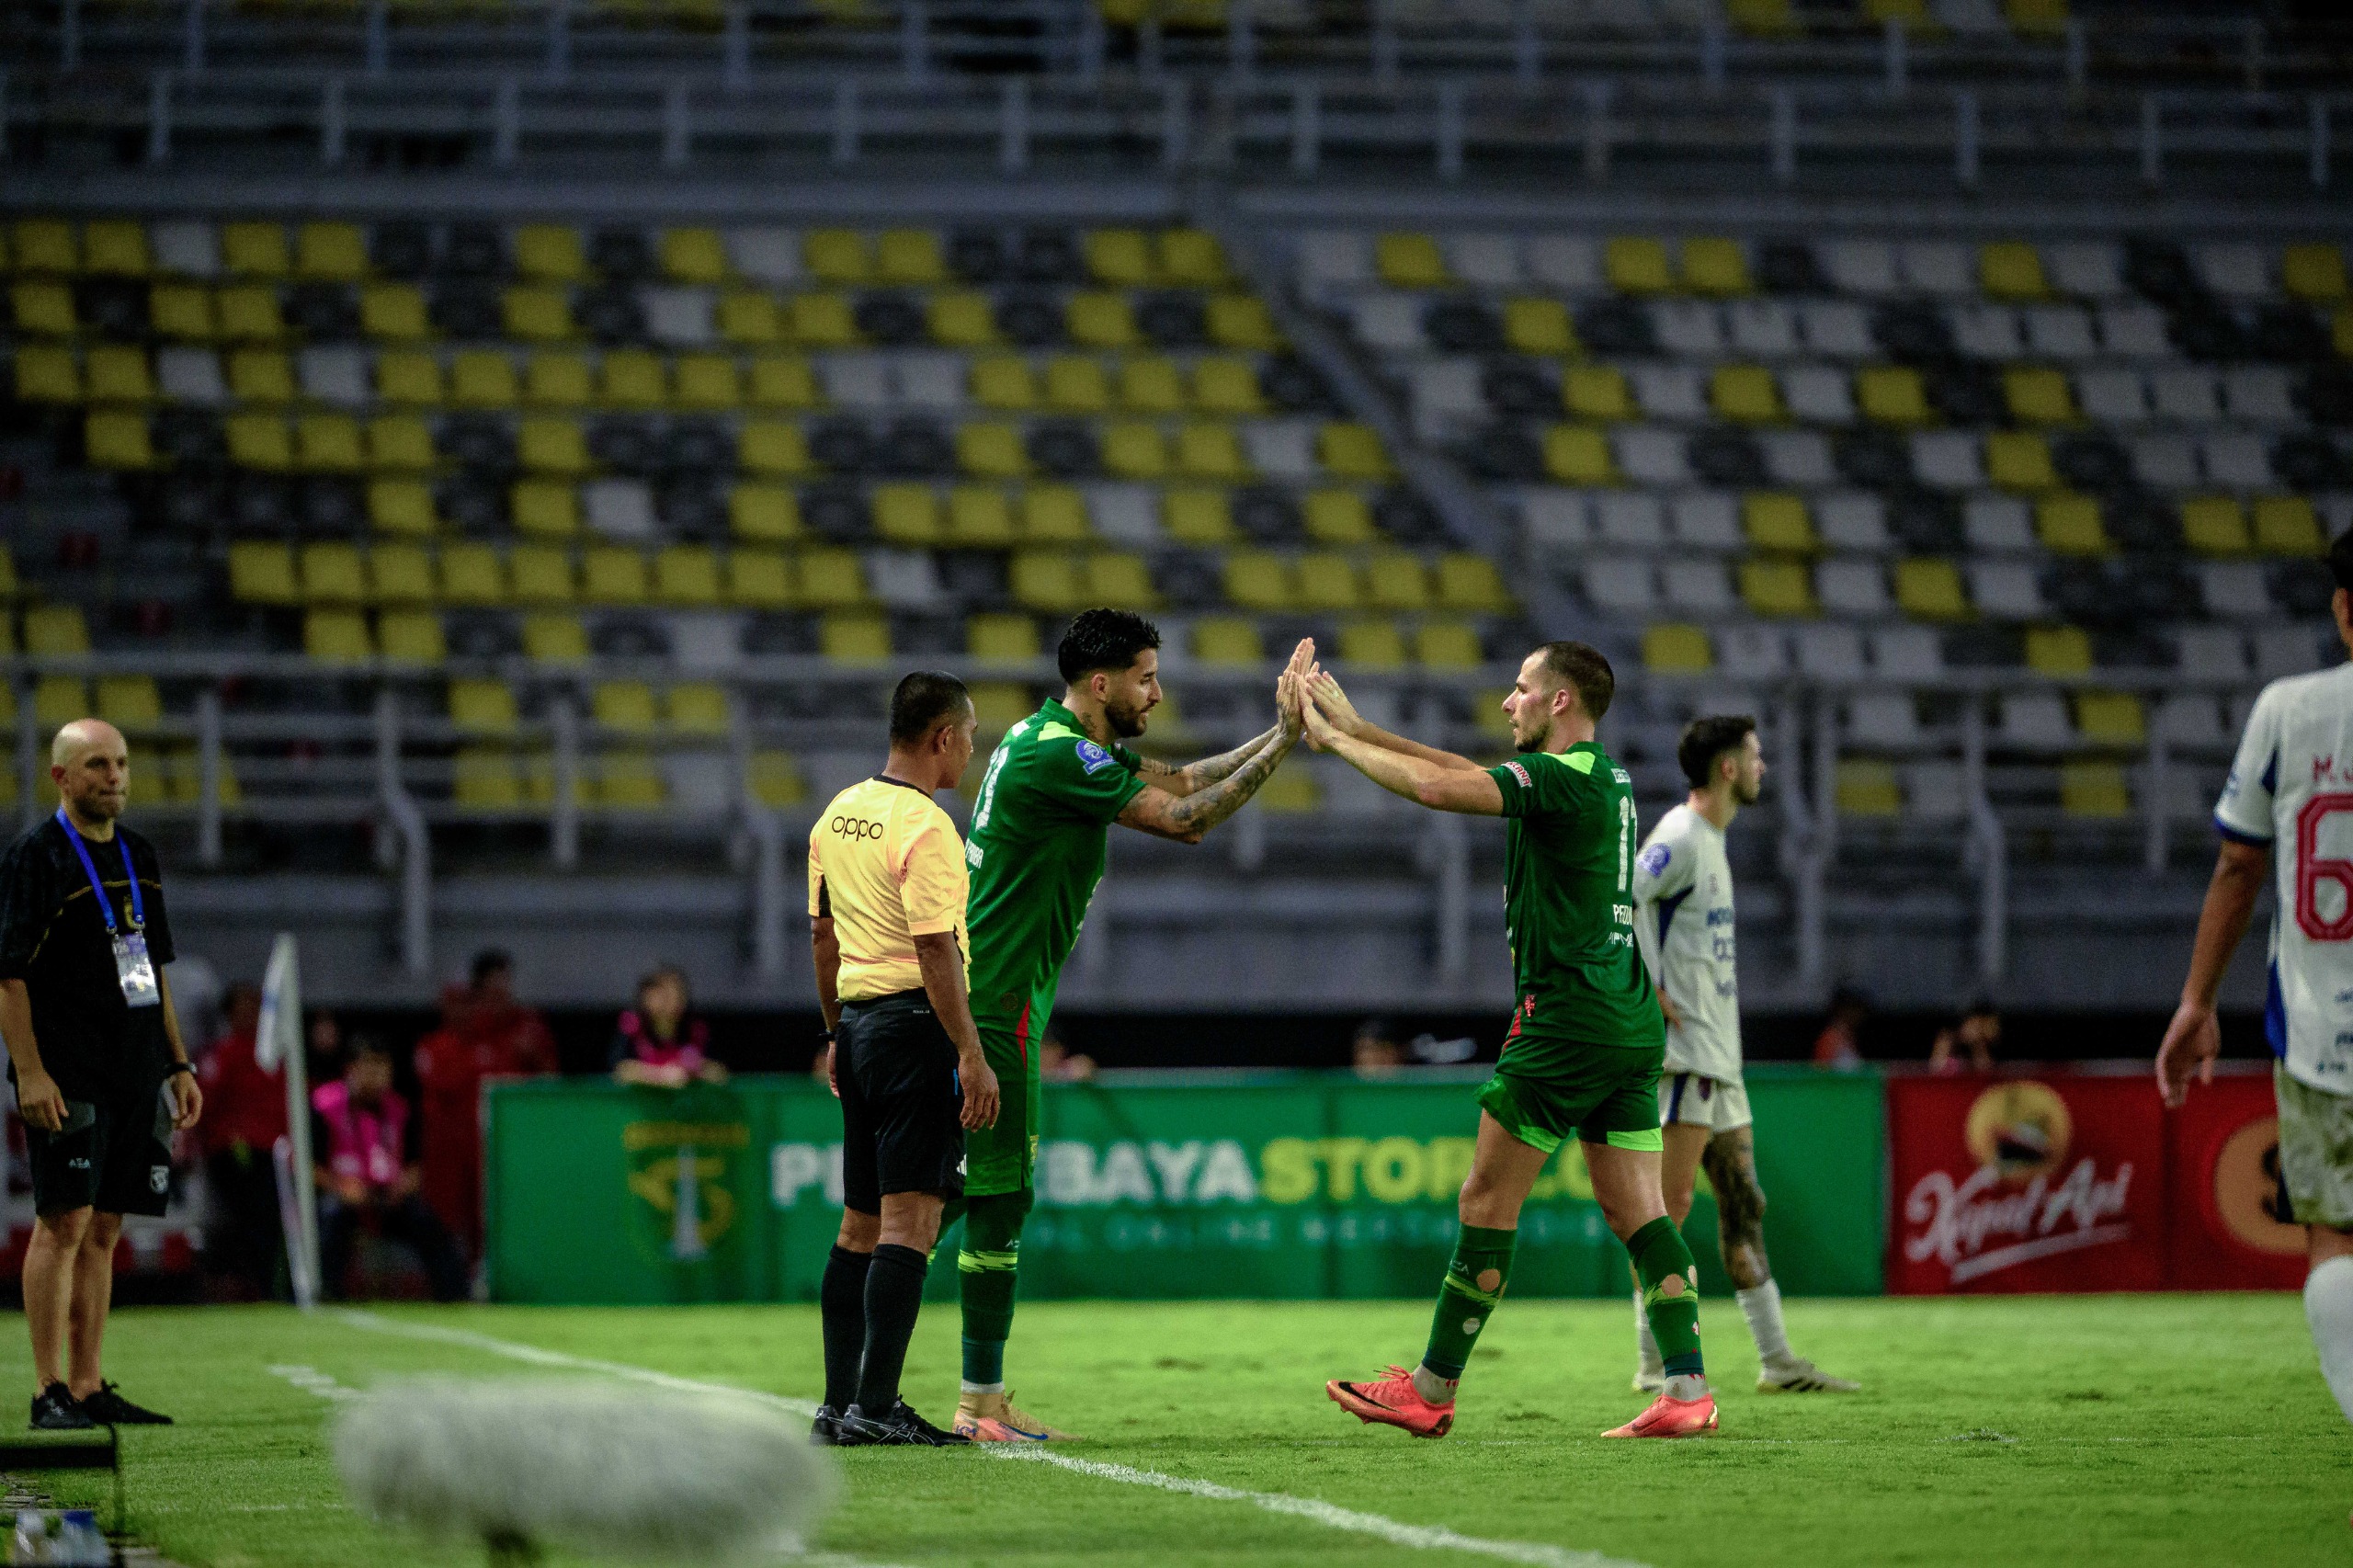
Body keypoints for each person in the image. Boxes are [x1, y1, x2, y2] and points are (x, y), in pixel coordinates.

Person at [1305, 643, 1715, 1439]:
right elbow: (1461, 767)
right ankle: (1688, 1389)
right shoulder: (1600, 777)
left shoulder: (1561, 779)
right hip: (1627, 1017)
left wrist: (1337, 744)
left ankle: (1429, 1388)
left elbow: (1434, 787)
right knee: (1640, 1210)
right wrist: (1364, 724)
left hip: (1566, 1017)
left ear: (1560, 702)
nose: (1508, 702)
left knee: (1487, 1200)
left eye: (1522, 690)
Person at [950, 610, 1309, 1442]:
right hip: (996, 1006)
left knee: (942, 1197)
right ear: (1102, 683)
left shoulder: (1052, 739)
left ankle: (960, 1398)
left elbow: (1181, 780)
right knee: (987, 1201)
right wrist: (1286, 745)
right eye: (1147, 676)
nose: (1159, 691)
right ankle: (972, 1403)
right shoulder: (1056, 753)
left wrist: (1278, 732)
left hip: (995, 995)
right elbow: (1188, 820)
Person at [2158, 528, 2353, 1518]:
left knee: (2333, 1239)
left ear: (2341, 608)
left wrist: (2197, 1000)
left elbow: (2239, 866)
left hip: (2323, 1031)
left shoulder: (2291, 708)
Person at [1631, 715, 1856, 1397]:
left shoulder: (1712, 841)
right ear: (1727, 767)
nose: (1764, 768)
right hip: (1688, 1059)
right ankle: (1652, 1365)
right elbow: (1623, 900)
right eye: (1756, 756)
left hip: (1719, 1062)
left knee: (1744, 1203)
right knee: (1667, 1216)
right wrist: (1649, 988)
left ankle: (1777, 1361)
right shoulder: (1679, 836)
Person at [808, 671, 998, 1448]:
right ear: (942, 738)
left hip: (855, 1031)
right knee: (909, 1226)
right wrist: (970, 1052)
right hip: (916, 1031)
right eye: (972, 735)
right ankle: (878, 1407)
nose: (974, 750)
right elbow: (933, 950)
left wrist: (834, 1033)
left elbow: (822, 938)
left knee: (857, 1230)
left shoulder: (837, 814)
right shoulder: (928, 828)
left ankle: (835, 1405)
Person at [0, 718, 202, 1429]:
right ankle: (45, 1390)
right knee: (63, 1222)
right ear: (60, 777)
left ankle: (87, 1386)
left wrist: (176, 1062)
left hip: (135, 1067)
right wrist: (29, 1074)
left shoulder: (140, 854)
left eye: (120, 763)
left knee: (108, 1225)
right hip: (69, 1069)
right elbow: (9, 978)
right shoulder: (37, 859)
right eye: (95, 766)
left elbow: (153, 969)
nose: (113, 777)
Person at [413, 949, 556, 1258]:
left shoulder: (523, 1033)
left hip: (509, 1150)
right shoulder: (443, 1044)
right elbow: (437, 1096)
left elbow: (548, 1088)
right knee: (447, 1221)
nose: (500, 992)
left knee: (504, 1217)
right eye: (492, 984)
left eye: (505, 983)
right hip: (453, 1154)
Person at [313, 1040, 469, 1303]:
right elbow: (308, 1164)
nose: (376, 1076)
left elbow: (414, 1165)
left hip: (388, 1196)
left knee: (425, 1220)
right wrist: (341, 1188)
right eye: (369, 1066)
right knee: (331, 1217)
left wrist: (403, 1186)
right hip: (343, 1193)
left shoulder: (400, 1109)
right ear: (351, 1068)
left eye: (383, 1068)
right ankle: (327, 1294)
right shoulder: (324, 1105)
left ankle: (455, 1295)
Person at [196, 980, 288, 1299]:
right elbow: (205, 1105)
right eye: (245, 1006)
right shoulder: (222, 1053)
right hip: (235, 1155)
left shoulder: (275, 1055)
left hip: (274, 1156)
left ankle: (267, 1287)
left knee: (269, 1224)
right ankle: (238, 1288)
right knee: (239, 1224)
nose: (253, 1013)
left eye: (257, 1006)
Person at [610, 966, 726, 1087]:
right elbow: (620, 1070)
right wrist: (659, 1076)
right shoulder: (632, 1029)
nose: (672, 1000)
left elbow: (719, 1073)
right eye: (663, 994)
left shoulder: (697, 1031)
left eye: (677, 993)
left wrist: (693, 1071)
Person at [1928, 1000, 2001, 1075]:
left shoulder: (1984, 1047)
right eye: (1976, 1025)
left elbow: (1986, 1072)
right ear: (1966, 1023)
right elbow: (1936, 1070)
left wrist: (1978, 1046)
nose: (1978, 1030)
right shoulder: (1947, 1040)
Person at [1812, 986, 1869, 1071]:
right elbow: (1822, 1073)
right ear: (1842, 1010)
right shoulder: (1829, 1039)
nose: (1860, 1014)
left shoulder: (1848, 1037)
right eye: (1855, 1008)